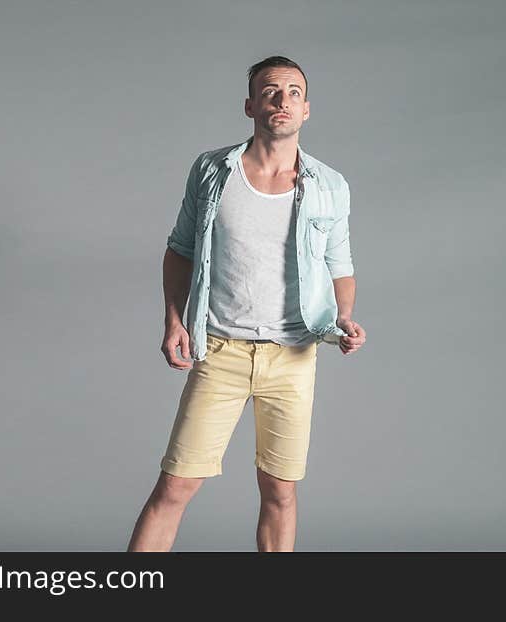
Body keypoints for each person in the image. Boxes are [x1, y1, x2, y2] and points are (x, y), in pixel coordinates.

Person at [126, 55, 366, 552]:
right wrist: (173, 320)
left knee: (280, 493)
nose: (282, 100)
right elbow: (179, 250)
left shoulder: (331, 186)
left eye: (294, 92)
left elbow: (340, 265)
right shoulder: (213, 171)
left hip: (294, 357)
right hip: (220, 352)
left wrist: (343, 318)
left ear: (306, 110)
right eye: (271, 91)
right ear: (250, 104)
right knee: (174, 487)